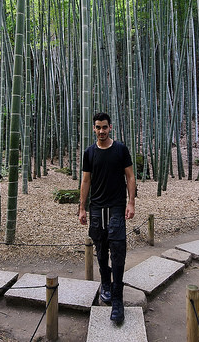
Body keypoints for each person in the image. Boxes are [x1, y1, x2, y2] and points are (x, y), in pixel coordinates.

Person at [78, 112, 136, 324]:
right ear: (94, 129)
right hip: (96, 209)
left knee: (118, 251)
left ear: (110, 127)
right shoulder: (89, 152)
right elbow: (86, 181)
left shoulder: (120, 149)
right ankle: (105, 284)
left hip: (117, 208)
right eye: (98, 127)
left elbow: (130, 176)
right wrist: (82, 208)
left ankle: (118, 299)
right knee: (101, 250)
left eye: (104, 127)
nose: (101, 131)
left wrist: (131, 203)